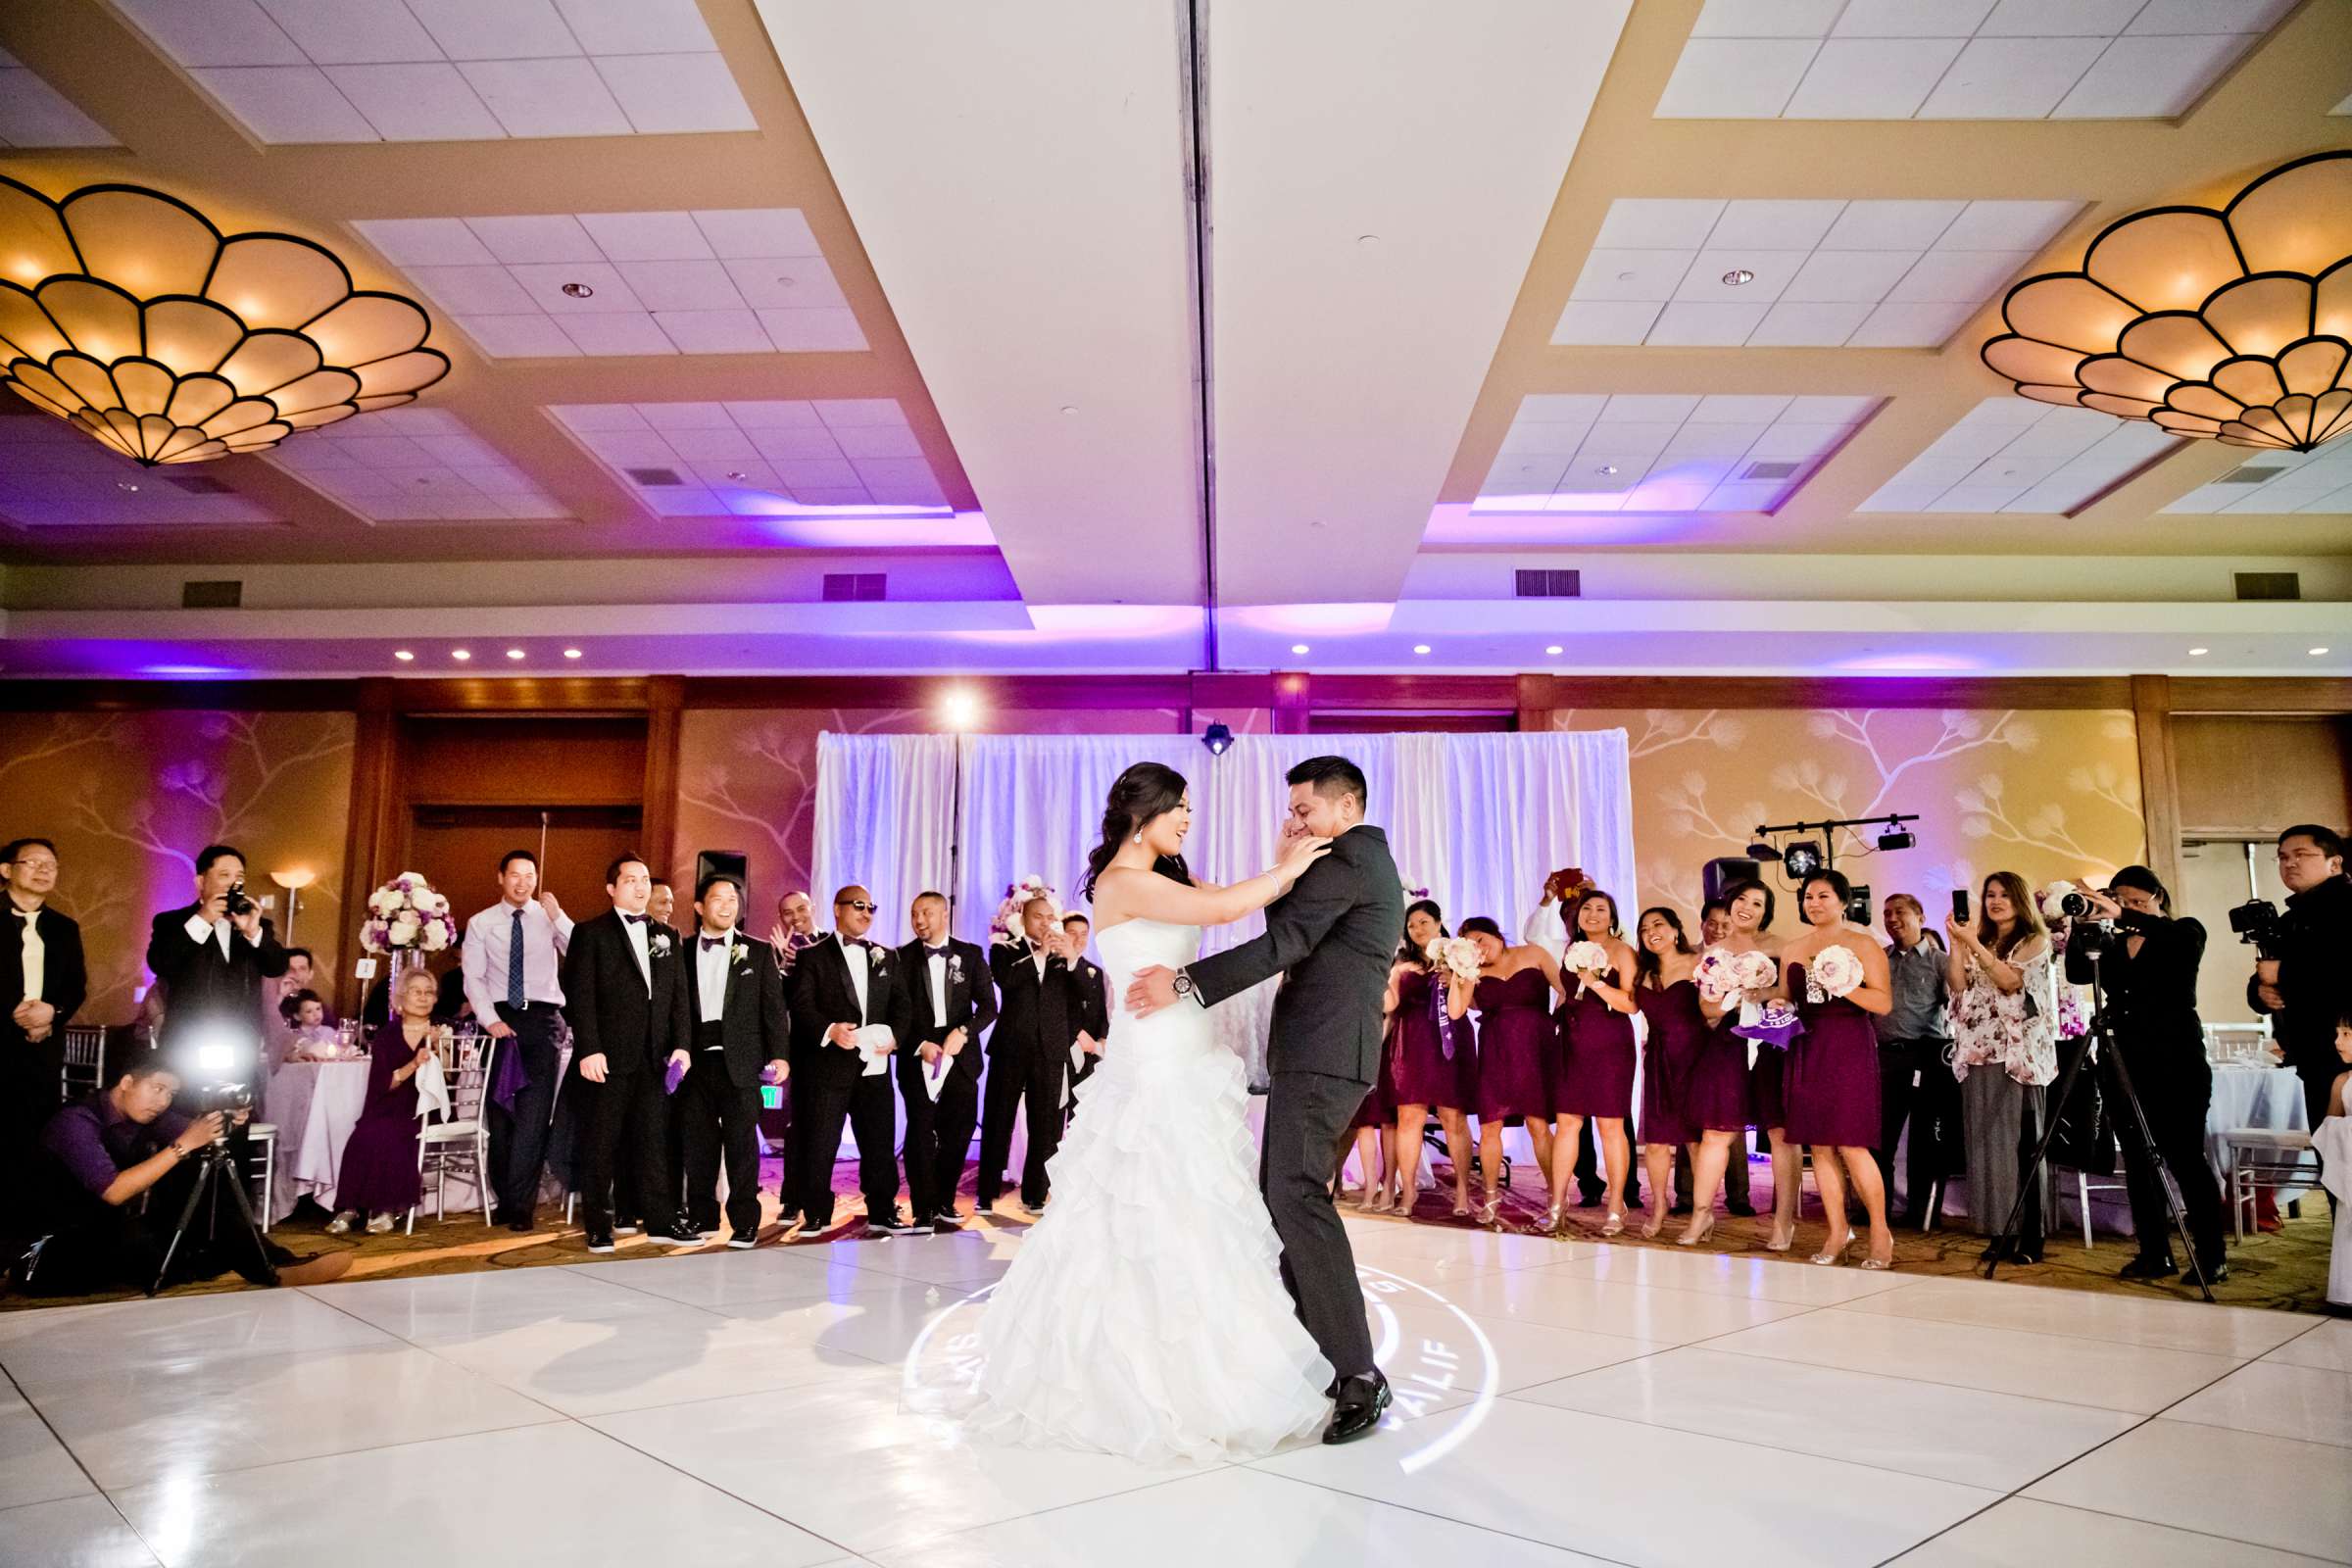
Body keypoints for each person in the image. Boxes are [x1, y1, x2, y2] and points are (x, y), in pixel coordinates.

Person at [944, 760, 1339, 1461]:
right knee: (1147, 1215)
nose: (1189, 819)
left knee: (1197, 1213)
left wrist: (1283, 862)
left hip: (1185, 1057)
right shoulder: (1124, 882)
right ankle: (1138, 1380)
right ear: (1144, 811)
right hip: (1153, 1068)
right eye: (1180, 807)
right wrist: (1291, 867)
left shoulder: (1166, 877)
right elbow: (1222, 911)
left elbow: (1219, 897)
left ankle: (1212, 1366)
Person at [1129, 754, 1405, 1446]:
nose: (1295, 821)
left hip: (1326, 1053)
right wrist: (1286, 863)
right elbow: (1302, 926)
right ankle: (1319, 1352)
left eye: (1304, 810)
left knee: (1297, 1196)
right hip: (1320, 1052)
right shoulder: (1347, 861)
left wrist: (1185, 985)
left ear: (1347, 807)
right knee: (1288, 1194)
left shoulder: (1350, 860)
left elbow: (1286, 942)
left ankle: (1359, 1373)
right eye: (1291, 811)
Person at [17, 1057, 350, 1295]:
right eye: (157, 1088)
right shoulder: (76, 1121)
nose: (162, 1102)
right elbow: (114, 1191)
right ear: (128, 1082)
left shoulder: (146, 1115)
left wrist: (231, 1120)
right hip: (44, 1250)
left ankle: (275, 1265)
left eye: (171, 1094)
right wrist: (182, 1145)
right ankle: (253, 1266)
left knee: (202, 1205)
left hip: (101, 1230)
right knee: (149, 1249)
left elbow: (196, 1131)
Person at [2082, 866, 2229, 1283]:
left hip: (2175, 1057)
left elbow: (2177, 947)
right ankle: (2154, 1251)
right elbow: (2079, 971)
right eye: (2120, 899)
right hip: (2122, 1057)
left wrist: (2123, 915)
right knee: (2137, 1158)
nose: (2126, 908)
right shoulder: (2111, 939)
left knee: (2185, 1156)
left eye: (2136, 901)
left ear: (2157, 897)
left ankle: (2211, 1253)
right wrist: (2085, 923)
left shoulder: (2183, 931)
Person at [560, 854, 695, 1253]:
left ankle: (659, 1221)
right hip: (608, 1059)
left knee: (654, 1142)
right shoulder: (590, 933)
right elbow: (580, 997)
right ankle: (599, 1225)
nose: (640, 887)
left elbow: (679, 1000)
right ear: (611, 889)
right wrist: (589, 1048)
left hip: (655, 1059)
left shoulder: (667, 936)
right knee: (601, 1144)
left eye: (644, 881)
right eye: (631, 880)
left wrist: (682, 1046)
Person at [1782, 868, 1896, 1269]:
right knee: (1819, 1145)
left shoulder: (1863, 945)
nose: (1814, 903)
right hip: (1807, 1047)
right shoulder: (1793, 948)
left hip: (1848, 1046)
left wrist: (1844, 985)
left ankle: (1880, 1231)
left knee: (1852, 1142)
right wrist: (1777, 1006)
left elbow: (1882, 1004)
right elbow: (1787, 998)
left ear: (1844, 901)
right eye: (1809, 896)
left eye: (1824, 896)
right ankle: (1837, 1229)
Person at [668, 873, 790, 1248]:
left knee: (742, 1147)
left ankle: (745, 1221)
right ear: (700, 907)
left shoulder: (756, 951)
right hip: (694, 1063)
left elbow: (773, 1009)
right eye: (718, 899)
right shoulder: (681, 951)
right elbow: (673, 1008)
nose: (727, 906)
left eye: (733, 900)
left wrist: (779, 1056)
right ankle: (703, 1217)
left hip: (742, 1062)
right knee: (698, 1146)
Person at [1945, 871, 2057, 1266]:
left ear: (2020, 900)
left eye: (2005, 895)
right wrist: (1958, 944)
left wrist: (1972, 941)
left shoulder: (2035, 941)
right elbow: (1957, 987)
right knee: (1987, 1148)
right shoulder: (1981, 939)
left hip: (2019, 1060)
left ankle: (2032, 1233)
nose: (1996, 901)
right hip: (1979, 1054)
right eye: (1990, 894)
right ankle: (1999, 1230)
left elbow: (2010, 982)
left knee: (2023, 1148)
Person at [460, 849, 573, 1233]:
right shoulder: (481, 923)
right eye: (515, 875)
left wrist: (559, 916)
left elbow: (581, 952)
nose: (523, 882)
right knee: (502, 1116)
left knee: (534, 1117)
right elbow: (473, 977)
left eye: (530, 875)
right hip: (500, 1023)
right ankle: (506, 1198)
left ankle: (523, 1204)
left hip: (543, 1022)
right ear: (500, 877)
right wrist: (489, 1020)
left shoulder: (549, 918)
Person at [787, 885, 909, 1235]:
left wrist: (895, 1038)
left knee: (879, 1142)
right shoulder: (812, 956)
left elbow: (903, 1006)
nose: (866, 912)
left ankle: (883, 1210)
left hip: (874, 1067)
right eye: (858, 905)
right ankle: (816, 1211)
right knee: (820, 1141)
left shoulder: (888, 956)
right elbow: (802, 1005)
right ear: (837, 909)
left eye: (872, 906)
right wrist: (830, 1030)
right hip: (828, 1067)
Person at [1627, 906, 1748, 1246]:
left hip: (1697, 1055)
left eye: (1659, 925)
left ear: (1676, 931)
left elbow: (1712, 1008)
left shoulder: (1699, 964)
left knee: (1696, 1139)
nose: (1652, 931)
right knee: (1656, 1141)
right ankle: (1659, 1206)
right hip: (1659, 1060)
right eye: (1645, 927)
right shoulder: (1641, 973)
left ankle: (1702, 1210)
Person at [981, 898, 1105, 1214]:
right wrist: (1039, 954)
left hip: (1050, 1050)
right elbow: (1006, 981)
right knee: (998, 1120)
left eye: (1051, 917)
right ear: (1024, 919)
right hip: (1010, 1048)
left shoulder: (1065, 957)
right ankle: (986, 1192)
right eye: (1039, 917)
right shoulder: (1004, 950)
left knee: (1046, 1125)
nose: (1046, 923)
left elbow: (1086, 995)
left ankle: (1036, 1194)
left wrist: (1073, 959)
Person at [145, 844, 289, 1085]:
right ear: (201, 882)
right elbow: (161, 963)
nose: (233, 884)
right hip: (187, 1045)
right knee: (187, 1118)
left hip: (240, 1045)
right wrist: (203, 920)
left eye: (239, 877)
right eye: (224, 875)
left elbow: (276, 966)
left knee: (235, 1116)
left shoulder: (256, 924)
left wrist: (253, 932)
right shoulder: (172, 922)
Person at [895, 890, 996, 1233]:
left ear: (944, 915)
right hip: (918, 1057)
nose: (919, 920)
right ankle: (923, 1208)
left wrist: (964, 1032)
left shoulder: (970, 954)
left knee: (959, 1131)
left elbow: (988, 1007)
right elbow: (896, 1013)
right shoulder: (901, 958)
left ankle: (944, 1199)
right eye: (914, 914)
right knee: (920, 1133)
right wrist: (919, 1044)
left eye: (926, 913)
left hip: (961, 1060)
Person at [1707, 877, 1791, 1248]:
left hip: (1772, 1044)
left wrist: (1761, 993)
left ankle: (1783, 1220)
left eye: (1757, 903)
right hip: (1728, 1043)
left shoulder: (1782, 947)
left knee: (1779, 1134)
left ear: (1765, 913)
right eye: (1742, 899)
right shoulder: (1714, 951)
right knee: (1720, 1130)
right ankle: (1701, 1214)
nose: (1747, 907)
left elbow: (1791, 994)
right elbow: (1707, 1010)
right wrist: (1728, 996)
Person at [4, 837, 86, 1212]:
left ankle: (28, 1226)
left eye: (50, 865)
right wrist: (17, 1015)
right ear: (6, 871)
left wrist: (51, 1013)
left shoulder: (64, 927)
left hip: (45, 1045)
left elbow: (76, 985)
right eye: (33, 863)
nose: (43, 870)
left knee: (39, 1130)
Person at [2252, 825, 2352, 1129]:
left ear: (2334, 863)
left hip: (2344, 1049)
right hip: (2312, 1053)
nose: (2289, 863)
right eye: (2282, 857)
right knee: (2331, 1153)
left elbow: (2344, 968)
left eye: (2301, 855)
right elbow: (2263, 973)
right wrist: (2259, 992)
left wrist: (2283, 973)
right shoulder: (2290, 919)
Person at [328, 968, 442, 1235]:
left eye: (429, 992)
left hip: (427, 1105)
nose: (423, 997)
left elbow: (450, 1075)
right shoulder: (387, 1036)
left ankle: (387, 1208)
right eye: (416, 991)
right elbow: (384, 1083)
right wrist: (413, 1064)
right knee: (365, 1132)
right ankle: (350, 1206)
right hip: (390, 1101)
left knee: (391, 1131)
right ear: (400, 999)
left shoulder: (442, 1029)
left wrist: (440, 1046)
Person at [1551, 890, 1638, 1235]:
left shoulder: (1623, 952)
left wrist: (1596, 982)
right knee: (1567, 1122)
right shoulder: (1570, 949)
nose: (1593, 914)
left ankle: (1617, 1202)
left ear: (1612, 918)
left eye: (1601, 909)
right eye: (1586, 908)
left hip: (1609, 1042)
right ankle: (1557, 1201)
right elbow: (1567, 991)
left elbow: (1631, 1004)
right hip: (1572, 1040)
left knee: (1610, 1125)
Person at [1386, 899, 1476, 1219]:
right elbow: (1389, 1005)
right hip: (1410, 1043)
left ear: (1438, 923)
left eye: (1424, 922)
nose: (1418, 929)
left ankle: (1463, 1189)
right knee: (1409, 1119)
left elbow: (1463, 1005)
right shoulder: (1401, 963)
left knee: (1454, 1118)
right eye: (1412, 925)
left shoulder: (1458, 957)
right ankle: (1408, 1190)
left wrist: (1456, 976)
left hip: (1449, 1039)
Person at [1675, 895, 1754, 1218]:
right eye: (1713, 923)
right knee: (1687, 1118)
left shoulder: (1743, 960)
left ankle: (1738, 1195)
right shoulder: (1686, 958)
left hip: (1728, 1042)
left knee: (1727, 1119)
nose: (1719, 929)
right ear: (1702, 924)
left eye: (1726, 924)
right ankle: (1685, 1194)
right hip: (1690, 1043)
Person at [1877, 894, 1954, 1227]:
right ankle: (1876, 1208)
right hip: (1883, 1058)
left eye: (1900, 912)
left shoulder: (1940, 961)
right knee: (1880, 1139)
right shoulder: (1878, 959)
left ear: (1920, 916)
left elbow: (1955, 1006)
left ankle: (1921, 1213)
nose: (1892, 918)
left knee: (1924, 1142)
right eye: (1887, 913)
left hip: (1926, 1058)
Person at [1060, 911, 1110, 1108]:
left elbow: (1100, 1011)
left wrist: (1101, 1040)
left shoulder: (1095, 971)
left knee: (1082, 1110)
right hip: (1062, 1048)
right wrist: (1077, 1034)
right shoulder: (1052, 967)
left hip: (1089, 1052)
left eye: (1084, 933)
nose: (1079, 939)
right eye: (1072, 933)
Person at [277, 991, 341, 1060]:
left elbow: (339, 1052)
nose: (316, 1014)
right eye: (309, 1011)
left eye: (318, 1009)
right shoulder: (294, 1035)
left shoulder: (329, 1031)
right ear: (297, 1016)